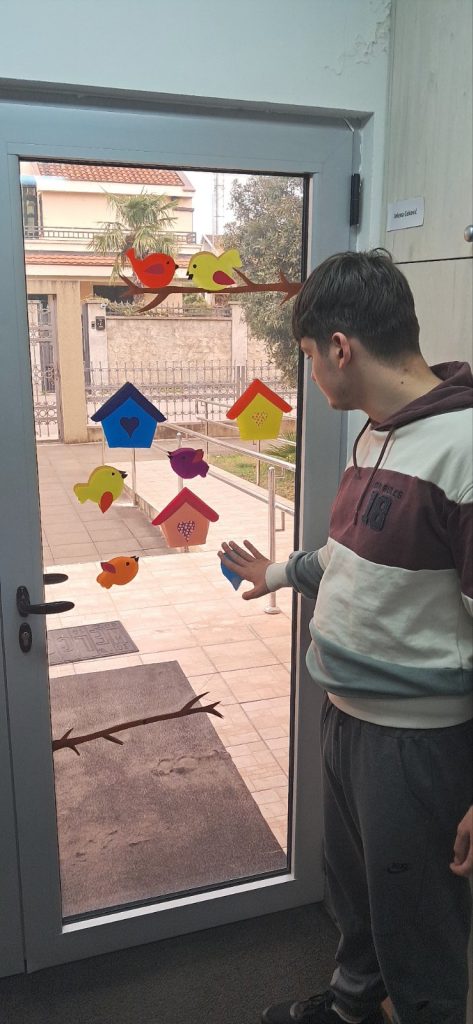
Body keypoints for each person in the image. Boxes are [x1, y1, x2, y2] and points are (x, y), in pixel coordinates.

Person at [218, 250, 473, 1024]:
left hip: (415, 744)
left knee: (418, 925)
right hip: (346, 718)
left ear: (339, 347)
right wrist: (277, 573)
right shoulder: (375, 436)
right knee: (356, 896)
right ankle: (352, 1006)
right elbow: (351, 557)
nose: (309, 375)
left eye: (305, 356)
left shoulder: (462, 448)